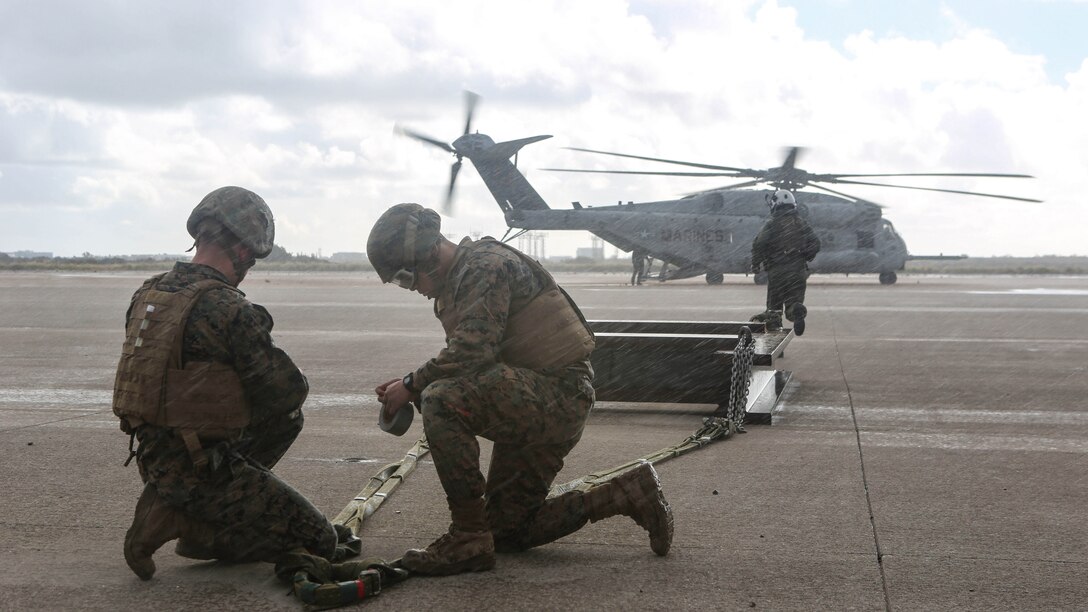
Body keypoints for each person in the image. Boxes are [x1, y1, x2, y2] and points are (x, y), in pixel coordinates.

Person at [367, 203, 673, 576]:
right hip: (537, 397)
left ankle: (467, 537)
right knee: (509, 530)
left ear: (430, 253)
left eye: (405, 276)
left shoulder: (484, 265)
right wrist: (415, 385)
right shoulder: (460, 279)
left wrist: (412, 385)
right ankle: (624, 493)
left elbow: (472, 352)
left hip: (556, 395)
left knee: (441, 398)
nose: (411, 287)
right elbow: (477, 363)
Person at [113, 186, 356, 581]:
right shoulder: (229, 308)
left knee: (285, 420)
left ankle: (188, 516)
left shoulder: (148, 293)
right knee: (323, 542)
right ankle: (187, 521)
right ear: (243, 251)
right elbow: (288, 391)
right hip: (203, 469)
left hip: (154, 456)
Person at [750, 188, 821, 336]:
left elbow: (759, 243)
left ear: (776, 204)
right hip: (798, 271)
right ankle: (796, 311)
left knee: (774, 310)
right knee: (793, 303)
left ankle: (775, 338)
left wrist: (756, 263)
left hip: (777, 271)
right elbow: (816, 243)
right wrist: (805, 255)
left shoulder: (772, 223)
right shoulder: (802, 223)